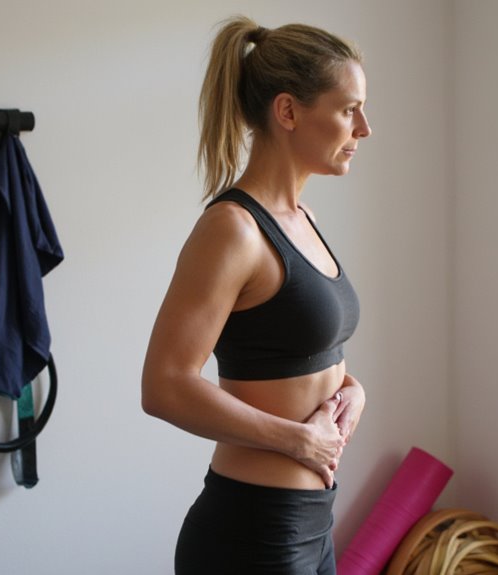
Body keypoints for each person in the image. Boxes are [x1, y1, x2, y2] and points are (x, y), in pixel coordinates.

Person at [141, 15, 371, 575]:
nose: (364, 128)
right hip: (253, 534)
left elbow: (297, 354)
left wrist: (353, 390)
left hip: (314, 524)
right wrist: (296, 441)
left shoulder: (304, 220)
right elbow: (164, 385)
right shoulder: (233, 229)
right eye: (348, 109)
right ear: (288, 111)